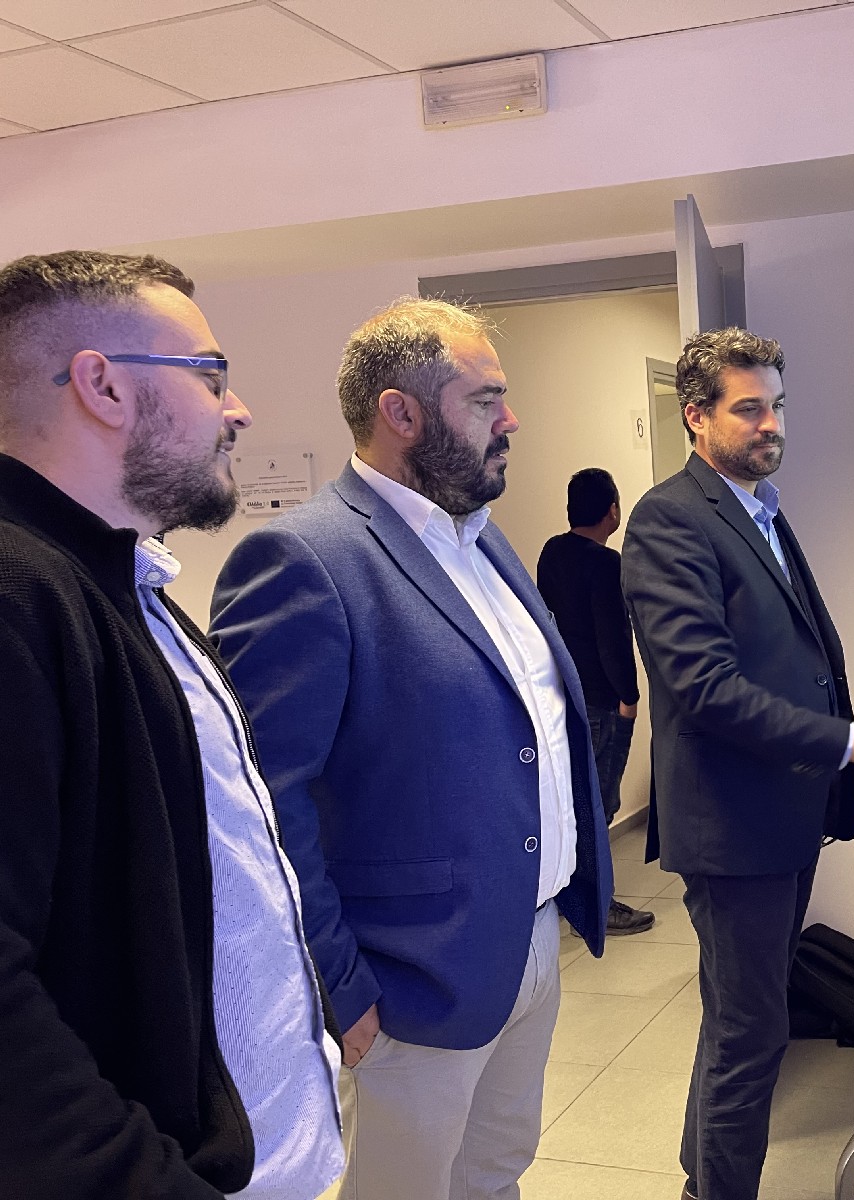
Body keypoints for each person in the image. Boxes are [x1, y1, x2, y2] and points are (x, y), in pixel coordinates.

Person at [210, 297, 612, 1200]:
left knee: (494, 1174)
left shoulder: (483, 542)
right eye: (486, 400)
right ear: (401, 413)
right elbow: (263, 805)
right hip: (409, 982)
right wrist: (338, 985)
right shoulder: (305, 559)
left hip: (527, 938)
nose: (511, 420)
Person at [0, 250, 343, 1198]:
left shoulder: (129, 586)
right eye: (211, 376)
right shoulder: (19, 597)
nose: (240, 411)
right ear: (103, 386)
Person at [620, 327, 854, 1200]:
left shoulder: (756, 507)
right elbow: (704, 688)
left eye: (778, 406)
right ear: (696, 416)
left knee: (736, 1022)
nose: (771, 425)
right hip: (734, 830)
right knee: (751, 1035)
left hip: (780, 821)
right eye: (749, 409)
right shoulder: (669, 519)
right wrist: (844, 740)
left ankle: (700, 1183)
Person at [537, 467, 656, 934]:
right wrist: (630, 695)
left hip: (563, 696)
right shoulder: (607, 564)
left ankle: (572, 896)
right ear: (613, 511)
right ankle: (598, 907)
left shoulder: (552, 552)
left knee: (573, 802)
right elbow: (613, 638)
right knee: (600, 802)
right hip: (602, 702)